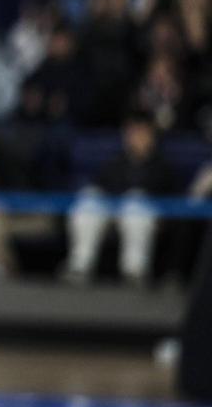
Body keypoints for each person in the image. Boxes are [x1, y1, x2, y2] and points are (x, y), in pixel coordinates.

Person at [61, 112, 178, 286]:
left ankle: (134, 271)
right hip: (113, 211)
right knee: (89, 201)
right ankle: (80, 266)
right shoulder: (116, 161)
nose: (136, 137)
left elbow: (165, 195)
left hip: (146, 216)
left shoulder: (162, 165)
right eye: (132, 132)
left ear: (151, 135)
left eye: (141, 132)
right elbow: (101, 187)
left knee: (135, 203)